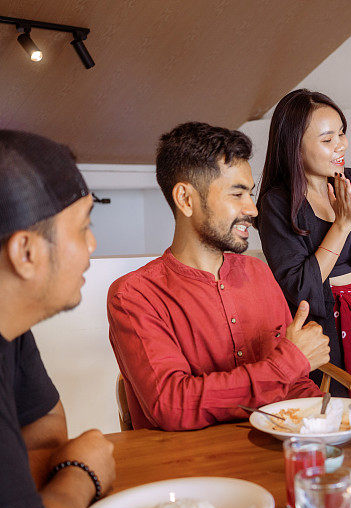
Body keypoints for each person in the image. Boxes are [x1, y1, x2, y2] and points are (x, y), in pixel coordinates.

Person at [107, 122, 330, 431]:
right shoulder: (134, 296)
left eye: (250, 194)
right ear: (185, 199)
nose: (252, 208)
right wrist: (288, 363)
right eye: (237, 194)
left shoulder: (259, 273)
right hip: (188, 471)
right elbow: (171, 404)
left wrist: (337, 415)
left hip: (267, 457)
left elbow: (293, 384)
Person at [257, 89, 351, 399]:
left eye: (342, 133)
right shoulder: (277, 203)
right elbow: (299, 286)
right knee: (338, 415)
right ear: (294, 148)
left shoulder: (350, 181)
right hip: (322, 329)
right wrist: (341, 225)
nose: (341, 145)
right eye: (327, 140)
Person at [0, 130, 115, 508]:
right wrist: (80, 471)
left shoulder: (10, 326)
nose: (93, 244)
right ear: (26, 253)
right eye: (83, 228)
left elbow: (45, 427)